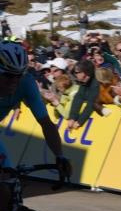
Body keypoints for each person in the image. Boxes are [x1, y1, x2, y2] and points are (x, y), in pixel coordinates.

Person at [0, 42, 71, 186]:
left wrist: (60, 156)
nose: (14, 82)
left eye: (18, 75)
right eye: (9, 76)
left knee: (10, 185)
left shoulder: (26, 83)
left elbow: (46, 123)